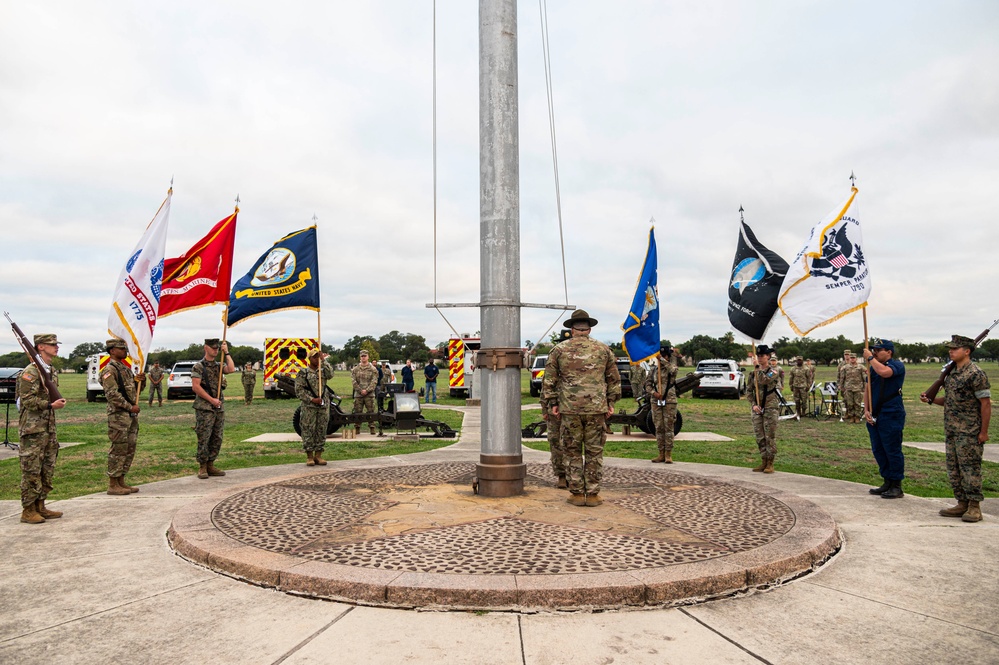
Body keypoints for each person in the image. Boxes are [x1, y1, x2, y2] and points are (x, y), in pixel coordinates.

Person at [541, 309, 620, 507]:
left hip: (569, 409)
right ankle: (592, 495)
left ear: (572, 329)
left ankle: (576, 493)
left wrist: (553, 404)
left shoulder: (559, 350)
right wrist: (610, 403)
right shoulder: (604, 350)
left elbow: (549, 381)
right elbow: (614, 380)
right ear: (589, 328)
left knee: (572, 451)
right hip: (596, 408)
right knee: (594, 451)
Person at [921, 335, 992, 522]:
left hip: (970, 431)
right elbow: (950, 401)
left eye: (955, 348)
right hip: (952, 430)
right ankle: (962, 503)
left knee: (970, 469)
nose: (951, 351)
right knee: (954, 469)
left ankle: (974, 507)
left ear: (967, 351)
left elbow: (985, 404)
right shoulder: (951, 373)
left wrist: (983, 432)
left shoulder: (976, 373)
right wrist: (931, 399)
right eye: (950, 349)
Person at [16, 333, 67, 524]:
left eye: (56, 344)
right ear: (40, 347)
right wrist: (50, 406)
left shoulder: (50, 370)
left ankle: (40, 505)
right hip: (33, 430)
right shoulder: (30, 372)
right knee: (31, 469)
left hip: (48, 428)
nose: (56, 347)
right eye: (51, 344)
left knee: (47, 467)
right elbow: (27, 401)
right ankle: (28, 510)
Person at [863, 338, 906, 499]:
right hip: (876, 414)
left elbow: (885, 373)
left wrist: (870, 358)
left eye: (878, 350)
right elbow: (867, 389)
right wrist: (866, 409)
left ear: (889, 352)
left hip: (891, 414)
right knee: (878, 449)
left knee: (892, 449)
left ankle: (896, 484)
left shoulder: (897, 365)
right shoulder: (872, 367)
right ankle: (887, 480)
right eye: (873, 350)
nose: (874, 352)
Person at [191, 338, 236, 479]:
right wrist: (212, 400)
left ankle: (211, 463)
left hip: (218, 407)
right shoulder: (198, 366)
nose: (215, 350)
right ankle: (202, 466)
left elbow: (231, 369)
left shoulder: (218, 365)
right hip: (205, 407)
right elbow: (196, 387)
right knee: (204, 436)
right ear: (206, 348)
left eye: (217, 348)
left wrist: (227, 353)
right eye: (213, 348)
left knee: (217, 437)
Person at [101, 338, 141, 496]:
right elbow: (112, 395)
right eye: (121, 348)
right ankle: (113, 483)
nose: (125, 351)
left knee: (129, 447)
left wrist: (140, 382)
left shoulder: (125, 369)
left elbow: (132, 391)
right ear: (112, 351)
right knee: (118, 448)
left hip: (130, 415)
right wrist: (130, 407)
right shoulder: (109, 370)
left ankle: (121, 480)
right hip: (118, 416)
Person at [296, 349, 334, 466]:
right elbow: (299, 390)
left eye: (318, 357)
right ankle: (309, 456)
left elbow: (331, 374)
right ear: (309, 359)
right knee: (308, 430)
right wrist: (311, 399)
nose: (316, 359)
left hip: (323, 406)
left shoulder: (322, 371)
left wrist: (323, 360)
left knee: (321, 429)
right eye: (314, 357)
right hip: (309, 406)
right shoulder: (304, 373)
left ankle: (318, 455)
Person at [747, 344, 780, 473]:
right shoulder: (752, 373)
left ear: (768, 356)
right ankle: (763, 461)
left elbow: (764, 381)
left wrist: (757, 368)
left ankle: (770, 463)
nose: (760, 358)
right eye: (758, 356)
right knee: (760, 436)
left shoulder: (774, 371)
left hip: (770, 408)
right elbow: (749, 390)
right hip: (757, 409)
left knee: (769, 436)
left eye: (762, 356)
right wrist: (753, 404)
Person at [645, 342, 679, 464]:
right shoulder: (654, 370)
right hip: (656, 401)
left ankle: (668, 454)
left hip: (669, 401)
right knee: (658, 427)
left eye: (665, 356)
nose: (663, 357)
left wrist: (662, 360)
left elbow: (673, 371)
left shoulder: (671, 367)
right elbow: (647, 385)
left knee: (668, 427)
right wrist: (654, 393)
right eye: (661, 356)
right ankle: (661, 453)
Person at [351, 351, 379, 435]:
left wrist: (367, 390)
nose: (363, 357)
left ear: (368, 357)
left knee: (370, 411)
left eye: (365, 356)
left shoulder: (373, 369)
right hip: (358, 395)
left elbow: (374, 381)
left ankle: (372, 427)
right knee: (358, 411)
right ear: (360, 357)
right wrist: (360, 390)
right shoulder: (355, 369)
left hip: (369, 394)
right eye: (362, 356)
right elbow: (353, 381)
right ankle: (357, 428)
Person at [840, 354, 866, 424]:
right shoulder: (845, 367)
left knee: (857, 403)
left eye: (853, 358)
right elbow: (842, 377)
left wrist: (864, 387)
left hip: (858, 388)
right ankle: (851, 416)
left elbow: (864, 378)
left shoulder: (861, 367)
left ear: (856, 359)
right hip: (848, 387)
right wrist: (841, 386)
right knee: (850, 403)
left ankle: (857, 417)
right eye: (851, 358)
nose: (852, 359)